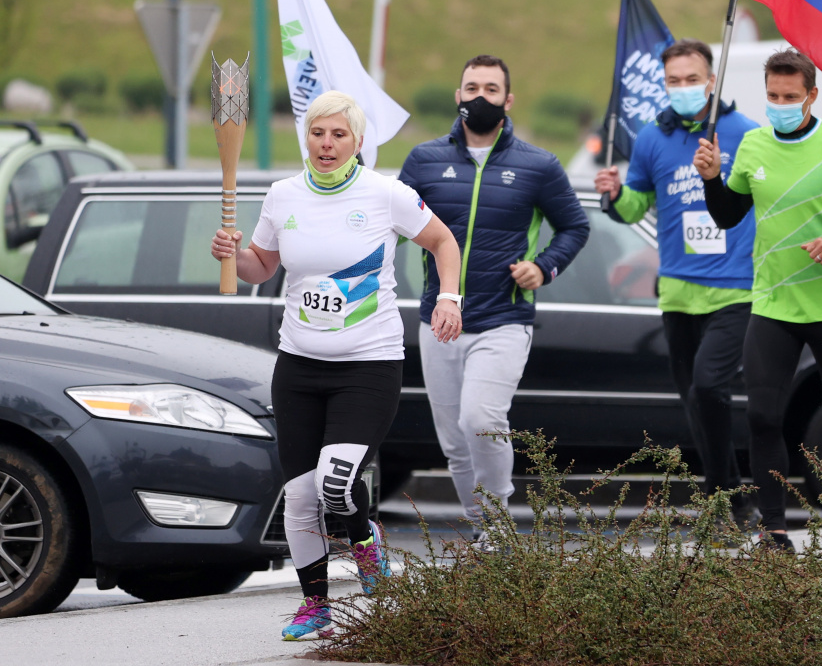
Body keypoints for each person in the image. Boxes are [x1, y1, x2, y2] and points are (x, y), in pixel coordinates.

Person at [211, 90, 463, 641]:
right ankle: (315, 605)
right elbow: (261, 267)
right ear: (307, 137)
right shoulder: (283, 195)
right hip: (299, 366)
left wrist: (449, 297)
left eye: (339, 135)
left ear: (358, 141)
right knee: (301, 496)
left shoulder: (386, 194)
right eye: (318, 133)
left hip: (368, 365)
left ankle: (366, 541)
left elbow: (444, 242)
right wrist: (233, 254)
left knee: (335, 481)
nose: (326, 144)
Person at [695, 49, 822, 549]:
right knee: (762, 417)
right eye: (772, 95)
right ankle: (774, 531)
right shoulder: (752, 145)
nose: (780, 104)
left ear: (812, 96)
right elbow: (727, 216)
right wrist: (712, 179)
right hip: (772, 305)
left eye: (790, 96)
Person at [399, 54, 589, 541]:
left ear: (508, 100)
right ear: (457, 96)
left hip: (504, 318)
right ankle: (486, 531)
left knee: (481, 419)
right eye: (471, 88)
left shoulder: (538, 165)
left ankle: (499, 523)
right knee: (455, 443)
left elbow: (575, 226)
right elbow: (391, 223)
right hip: (439, 318)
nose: (479, 97)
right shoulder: (424, 160)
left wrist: (543, 266)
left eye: (490, 89)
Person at [594, 38, 761, 528]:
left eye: (692, 79)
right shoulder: (652, 138)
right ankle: (731, 500)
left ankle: (722, 496)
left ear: (712, 81)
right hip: (678, 292)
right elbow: (634, 208)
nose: (683, 88)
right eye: (674, 81)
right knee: (696, 400)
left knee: (710, 385)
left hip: (735, 288)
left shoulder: (746, 133)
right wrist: (615, 194)